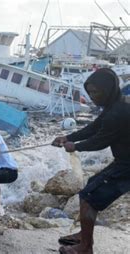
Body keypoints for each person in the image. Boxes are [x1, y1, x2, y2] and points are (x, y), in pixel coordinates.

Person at [52, 68, 130, 254]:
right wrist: (67, 137)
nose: (92, 96)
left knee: (88, 196)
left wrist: (75, 146)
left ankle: (86, 247)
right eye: (90, 92)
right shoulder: (117, 103)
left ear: (108, 89)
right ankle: (84, 235)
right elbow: (94, 128)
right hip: (124, 161)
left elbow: (100, 141)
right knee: (90, 186)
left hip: (127, 165)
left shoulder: (116, 112)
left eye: (96, 92)